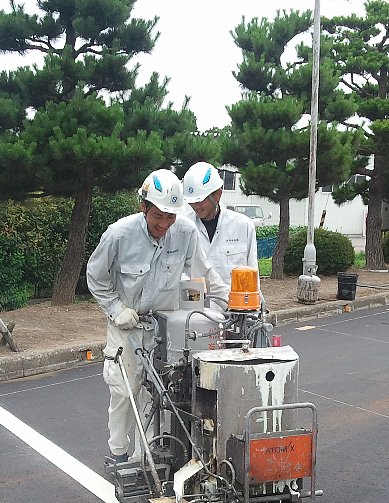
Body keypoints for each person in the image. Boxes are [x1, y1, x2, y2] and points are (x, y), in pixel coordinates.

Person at [86, 169, 227, 463]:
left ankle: (146, 457)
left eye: (171, 216)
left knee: (157, 394)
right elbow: (95, 276)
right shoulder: (119, 235)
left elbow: (205, 273)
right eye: (158, 216)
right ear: (143, 207)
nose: (164, 224)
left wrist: (231, 306)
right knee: (124, 391)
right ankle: (118, 453)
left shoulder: (185, 233)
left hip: (163, 328)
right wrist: (115, 309)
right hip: (125, 325)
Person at [182, 161, 259, 294]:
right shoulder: (183, 228)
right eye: (191, 201)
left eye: (200, 200)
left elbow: (253, 276)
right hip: (194, 310)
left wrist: (257, 309)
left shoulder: (243, 226)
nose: (196, 206)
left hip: (233, 310)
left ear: (217, 195)